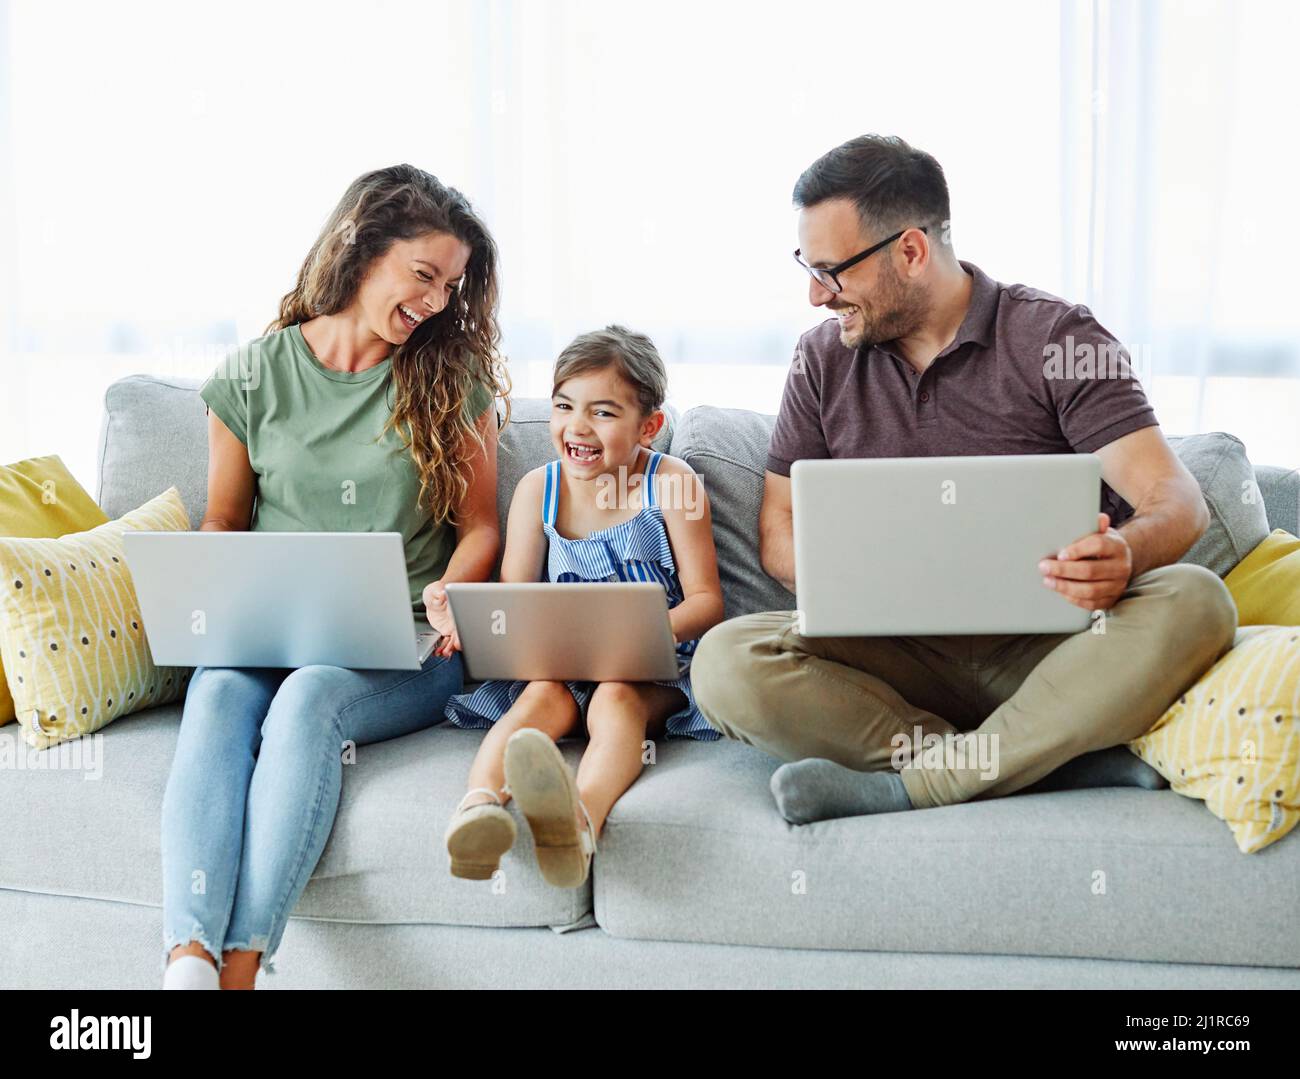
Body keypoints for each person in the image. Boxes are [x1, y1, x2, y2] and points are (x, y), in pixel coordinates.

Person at [690, 135, 1237, 824]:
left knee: (1198, 601)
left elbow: (1176, 500)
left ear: (911, 251)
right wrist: (861, 572)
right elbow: (777, 529)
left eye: (830, 271)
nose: (813, 295)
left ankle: (920, 782)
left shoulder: (1057, 340)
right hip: (893, 660)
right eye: (807, 268)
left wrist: (1125, 553)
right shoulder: (821, 361)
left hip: (1053, 655)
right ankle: (1036, 758)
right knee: (724, 661)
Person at [160, 164, 510, 988]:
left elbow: (482, 525)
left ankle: (242, 966)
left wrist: (454, 587)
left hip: (412, 641)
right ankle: (188, 961)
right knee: (216, 692)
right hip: (270, 629)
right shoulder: (254, 376)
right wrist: (204, 582)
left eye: (449, 284)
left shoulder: (450, 380)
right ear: (360, 250)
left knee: (311, 696)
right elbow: (225, 518)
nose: (433, 301)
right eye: (422, 275)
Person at [441, 325, 724, 888]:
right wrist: (463, 611)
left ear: (649, 426)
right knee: (537, 702)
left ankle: (580, 823)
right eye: (564, 406)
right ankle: (477, 811)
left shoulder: (671, 484)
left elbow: (707, 602)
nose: (578, 426)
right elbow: (515, 598)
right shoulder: (537, 490)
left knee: (615, 701)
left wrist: (636, 640)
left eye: (603, 412)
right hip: (564, 664)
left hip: (655, 666)